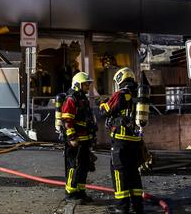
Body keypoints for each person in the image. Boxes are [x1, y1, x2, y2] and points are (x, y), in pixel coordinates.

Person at [99, 67, 149, 214]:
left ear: (120, 80)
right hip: (135, 142)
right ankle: (137, 206)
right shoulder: (138, 95)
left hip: (120, 142)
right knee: (134, 174)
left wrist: (102, 103)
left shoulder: (120, 94)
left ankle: (122, 208)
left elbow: (105, 110)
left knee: (119, 175)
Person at [60, 72, 97, 203]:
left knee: (84, 166)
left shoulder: (82, 99)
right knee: (74, 167)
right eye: (86, 84)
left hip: (85, 140)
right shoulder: (71, 99)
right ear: (78, 84)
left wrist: (91, 136)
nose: (88, 86)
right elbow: (67, 121)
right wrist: (72, 138)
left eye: (88, 84)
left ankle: (80, 191)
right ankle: (70, 193)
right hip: (75, 140)